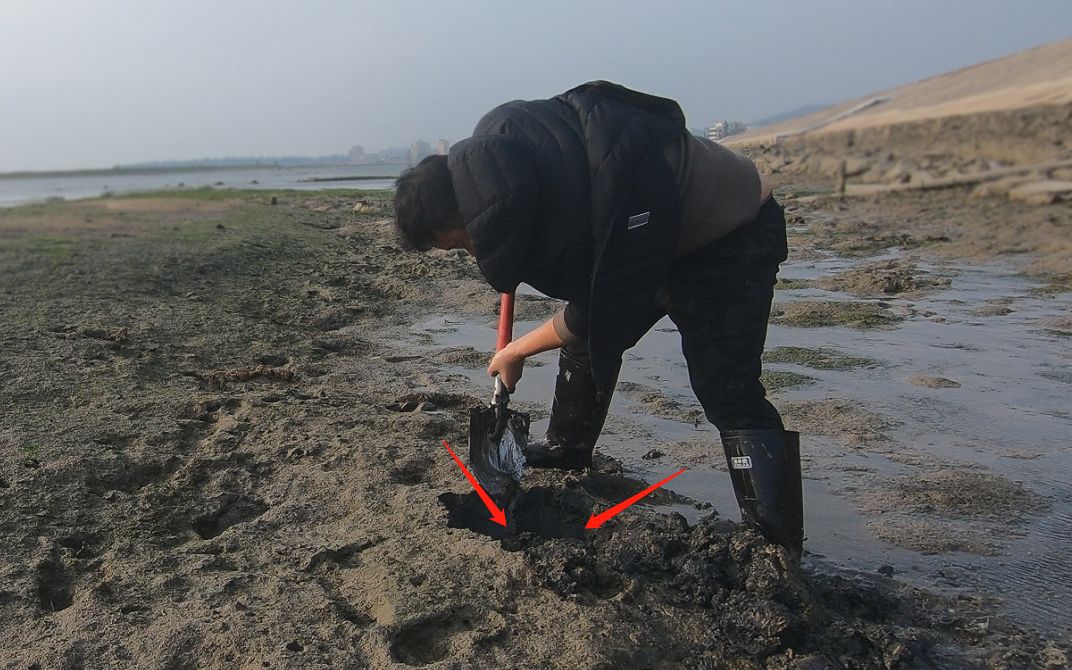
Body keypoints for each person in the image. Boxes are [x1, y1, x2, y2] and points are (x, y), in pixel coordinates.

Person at [393, 81, 803, 553]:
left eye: (461, 242)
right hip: (650, 230)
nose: (470, 252)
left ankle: (778, 543)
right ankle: (567, 448)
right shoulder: (503, 157)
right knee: (586, 347)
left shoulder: (578, 211)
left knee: (725, 386)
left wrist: (515, 349)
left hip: (727, 232)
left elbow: (596, 310)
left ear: (466, 210)